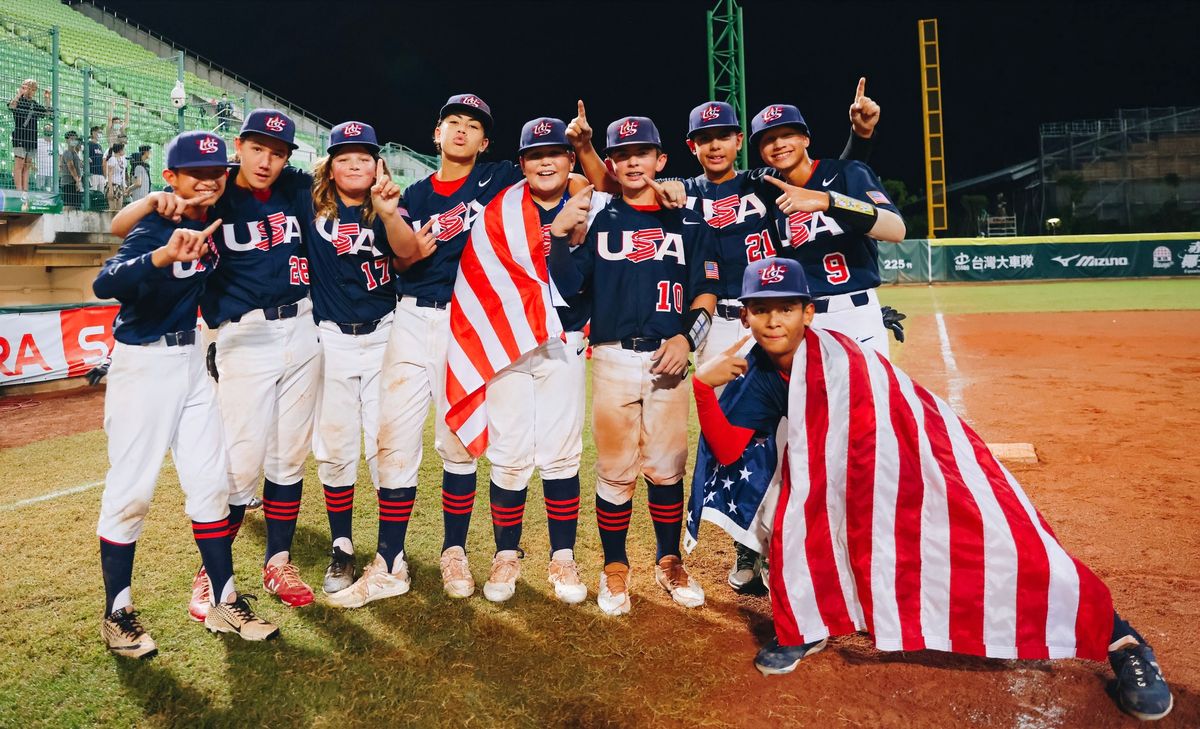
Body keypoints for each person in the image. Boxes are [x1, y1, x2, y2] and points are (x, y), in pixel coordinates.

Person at [692, 256, 1174, 722]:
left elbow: (890, 428)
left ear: (809, 312)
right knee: (796, 522)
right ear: (746, 314)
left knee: (998, 546)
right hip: (843, 475)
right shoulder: (754, 372)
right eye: (761, 308)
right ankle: (809, 623)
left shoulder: (841, 354)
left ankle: (1122, 641)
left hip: (916, 464)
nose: (774, 320)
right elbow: (732, 450)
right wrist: (701, 387)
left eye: (787, 307)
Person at [111, 109, 322, 611]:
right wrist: (149, 200)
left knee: (289, 458)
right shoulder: (212, 193)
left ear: (287, 156)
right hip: (243, 334)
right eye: (256, 149)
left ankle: (278, 563)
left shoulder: (294, 187)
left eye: (276, 152)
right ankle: (211, 573)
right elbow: (123, 227)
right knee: (239, 465)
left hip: (304, 325)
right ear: (238, 148)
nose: (265, 160)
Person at [676, 80, 881, 592]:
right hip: (719, 325)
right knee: (740, 439)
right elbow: (620, 191)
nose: (716, 144)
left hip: (770, 321)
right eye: (706, 137)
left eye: (725, 134)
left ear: (739, 142)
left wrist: (859, 138)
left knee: (793, 434)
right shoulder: (681, 192)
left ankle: (805, 545)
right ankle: (748, 551)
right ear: (693, 147)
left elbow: (821, 177)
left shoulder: (763, 182)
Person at [92, 131, 279, 659]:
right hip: (144, 364)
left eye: (217, 170)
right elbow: (105, 283)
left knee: (209, 486)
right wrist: (157, 253)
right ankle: (117, 613)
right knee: (131, 491)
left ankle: (223, 600)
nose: (210, 179)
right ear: (170, 177)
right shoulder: (159, 223)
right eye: (195, 172)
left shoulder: (209, 218)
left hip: (193, 361)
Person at [547, 115, 720, 616]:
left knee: (667, 469)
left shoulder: (687, 219)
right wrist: (560, 240)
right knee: (616, 471)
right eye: (621, 155)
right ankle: (615, 566)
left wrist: (689, 339)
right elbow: (570, 285)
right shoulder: (599, 217)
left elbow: (706, 290)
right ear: (612, 164)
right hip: (614, 356)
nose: (631, 161)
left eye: (642, 152)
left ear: (661, 161)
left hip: (669, 356)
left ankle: (669, 561)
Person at [442, 117, 594, 605]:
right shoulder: (497, 212)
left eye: (555, 152)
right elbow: (480, 284)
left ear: (570, 160)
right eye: (534, 154)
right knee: (508, 456)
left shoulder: (593, 204)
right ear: (521, 163)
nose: (545, 161)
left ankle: (563, 556)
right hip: (507, 345)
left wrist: (567, 230)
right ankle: (506, 554)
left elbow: (579, 280)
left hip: (564, 341)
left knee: (562, 454)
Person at [300, 121, 421, 606]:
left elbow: (409, 253)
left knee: (387, 445)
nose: (354, 164)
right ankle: (342, 544)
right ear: (330, 164)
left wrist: (390, 212)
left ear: (378, 164)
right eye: (344, 156)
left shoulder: (392, 205)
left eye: (364, 156)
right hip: (329, 338)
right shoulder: (306, 203)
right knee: (334, 448)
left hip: (384, 335)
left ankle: (392, 553)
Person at [750, 102, 906, 356]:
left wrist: (828, 201)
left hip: (856, 314)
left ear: (805, 139)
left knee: (864, 396)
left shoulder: (848, 173)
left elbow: (895, 229)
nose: (778, 144)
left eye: (787, 134)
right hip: (804, 320)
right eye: (768, 139)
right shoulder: (769, 193)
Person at [8, 79, 51, 208]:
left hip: (31, 138)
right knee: (19, 164)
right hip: (20, 137)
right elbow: (11, 106)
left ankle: (25, 192)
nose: (30, 91)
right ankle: (18, 192)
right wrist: (18, 93)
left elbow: (47, 113)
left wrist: (47, 99)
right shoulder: (19, 101)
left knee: (27, 166)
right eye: (28, 87)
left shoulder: (34, 104)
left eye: (33, 89)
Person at [60, 130, 83, 208]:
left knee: (76, 206)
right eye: (71, 139)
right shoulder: (67, 152)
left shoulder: (75, 153)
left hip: (75, 183)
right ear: (67, 140)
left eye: (75, 139)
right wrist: (77, 181)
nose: (74, 141)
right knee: (68, 206)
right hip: (68, 183)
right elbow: (71, 167)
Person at [104, 142, 128, 211]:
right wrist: (110, 190)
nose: (124, 151)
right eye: (123, 149)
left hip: (118, 185)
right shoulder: (112, 159)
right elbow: (110, 175)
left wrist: (123, 187)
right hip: (112, 185)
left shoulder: (121, 160)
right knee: (112, 209)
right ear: (120, 151)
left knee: (119, 209)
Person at [87, 125, 106, 194]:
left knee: (101, 194)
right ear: (93, 132)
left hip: (100, 174)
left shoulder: (99, 146)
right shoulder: (89, 144)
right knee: (93, 192)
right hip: (93, 173)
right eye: (99, 132)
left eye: (101, 132)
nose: (100, 134)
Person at [35, 125, 53, 192]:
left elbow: (60, 156)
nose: (49, 130)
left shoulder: (55, 143)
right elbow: (33, 153)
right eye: (47, 129)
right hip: (40, 172)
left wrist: (58, 166)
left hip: (51, 173)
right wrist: (33, 165)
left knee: (50, 192)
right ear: (44, 130)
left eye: (50, 129)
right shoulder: (38, 141)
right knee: (39, 192)